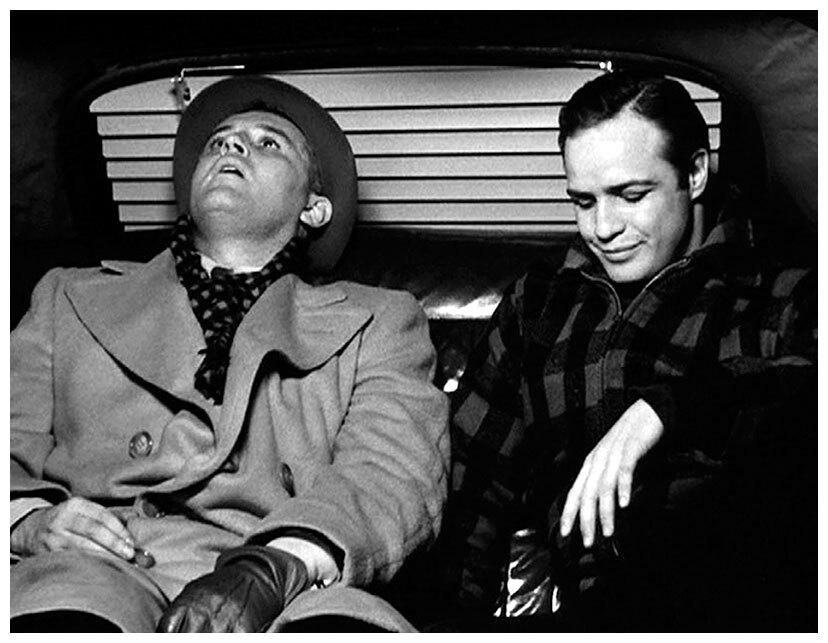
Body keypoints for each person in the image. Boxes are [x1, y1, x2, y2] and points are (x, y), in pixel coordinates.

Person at [10, 76, 449, 633]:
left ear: (314, 209)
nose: (232, 145)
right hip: (93, 562)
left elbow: (389, 476)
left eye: (268, 143)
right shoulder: (67, 296)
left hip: (287, 576)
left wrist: (272, 569)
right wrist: (28, 521)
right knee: (63, 613)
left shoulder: (379, 320)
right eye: (219, 141)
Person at [432, 71, 816, 630]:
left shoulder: (776, 291)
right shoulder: (539, 306)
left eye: (631, 196)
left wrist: (668, 408)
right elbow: (472, 493)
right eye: (583, 202)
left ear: (695, 173)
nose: (603, 228)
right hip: (594, 612)